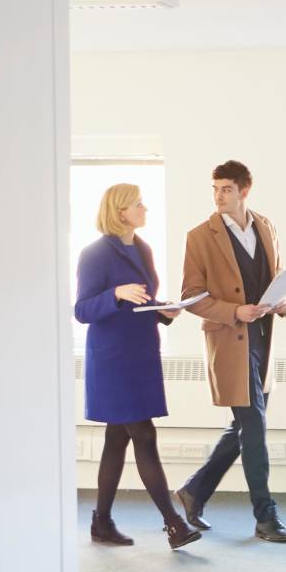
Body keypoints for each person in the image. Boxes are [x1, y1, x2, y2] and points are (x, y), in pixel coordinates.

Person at [73, 183, 204, 551]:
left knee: (118, 438)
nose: (144, 209)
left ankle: (101, 522)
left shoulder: (142, 248)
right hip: (114, 360)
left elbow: (141, 299)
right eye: (138, 204)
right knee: (144, 436)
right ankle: (174, 523)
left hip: (140, 354)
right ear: (120, 212)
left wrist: (165, 309)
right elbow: (82, 310)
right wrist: (113, 294)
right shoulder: (94, 254)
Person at [173, 160, 286, 543]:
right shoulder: (199, 237)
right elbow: (190, 299)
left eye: (226, 189)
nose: (218, 196)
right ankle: (265, 516)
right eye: (215, 189)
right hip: (230, 343)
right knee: (254, 428)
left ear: (245, 190)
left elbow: (272, 277)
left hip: (263, 338)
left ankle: (195, 490)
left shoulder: (266, 226)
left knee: (245, 425)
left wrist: (279, 302)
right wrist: (233, 311)